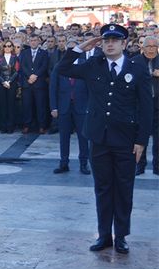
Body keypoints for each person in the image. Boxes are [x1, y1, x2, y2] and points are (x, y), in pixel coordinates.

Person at [56, 24, 152, 254]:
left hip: (126, 141)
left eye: (115, 40)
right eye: (106, 40)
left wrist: (141, 142)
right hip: (98, 138)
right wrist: (80, 47)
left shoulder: (137, 68)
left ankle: (121, 236)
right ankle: (104, 235)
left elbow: (147, 109)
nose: (109, 44)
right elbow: (62, 68)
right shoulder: (93, 65)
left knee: (124, 189)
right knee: (103, 188)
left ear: (124, 44)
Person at [49, 39, 90, 175]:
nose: (72, 52)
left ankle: (84, 164)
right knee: (64, 137)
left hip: (81, 107)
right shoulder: (59, 66)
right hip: (64, 107)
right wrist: (54, 107)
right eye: (69, 50)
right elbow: (53, 88)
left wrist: (90, 107)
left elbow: (91, 89)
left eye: (75, 49)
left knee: (83, 137)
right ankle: (63, 163)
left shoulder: (85, 66)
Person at [134, 35, 159, 175]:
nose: (151, 49)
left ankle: (157, 167)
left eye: (153, 46)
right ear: (142, 48)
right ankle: (140, 165)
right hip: (141, 106)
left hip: (157, 105)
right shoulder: (135, 61)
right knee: (140, 137)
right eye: (148, 46)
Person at [19, 34, 49, 134]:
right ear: (29, 42)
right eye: (31, 40)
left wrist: (35, 75)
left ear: (39, 41)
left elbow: (44, 66)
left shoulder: (44, 53)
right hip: (27, 83)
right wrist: (29, 76)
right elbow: (23, 66)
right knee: (27, 105)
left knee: (40, 105)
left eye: (35, 40)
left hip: (39, 83)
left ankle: (41, 126)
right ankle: (27, 125)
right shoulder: (24, 52)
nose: (33, 42)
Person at [0, 41, 19, 133]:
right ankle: (3, 126)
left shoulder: (15, 58)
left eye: (9, 46)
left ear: (12, 47)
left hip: (12, 84)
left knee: (11, 105)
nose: (7, 47)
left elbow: (16, 71)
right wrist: (3, 81)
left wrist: (9, 81)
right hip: (1, 84)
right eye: (5, 46)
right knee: (3, 105)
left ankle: (10, 126)